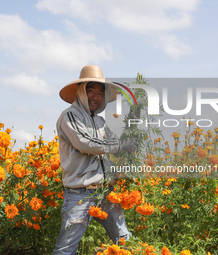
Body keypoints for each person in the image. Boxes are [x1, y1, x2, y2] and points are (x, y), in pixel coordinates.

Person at [53, 65, 138, 255]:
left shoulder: (100, 121)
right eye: (90, 91)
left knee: (125, 241)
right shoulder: (70, 116)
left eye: (100, 93)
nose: (95, 96)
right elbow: (85, 143)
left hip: (106, 192)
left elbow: (108, 151)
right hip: (79, 194)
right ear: (81, 92)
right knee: (66, 250)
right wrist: (120, 145)